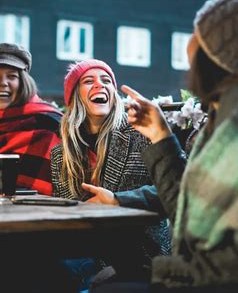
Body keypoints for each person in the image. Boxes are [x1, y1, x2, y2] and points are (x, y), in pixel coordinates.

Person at [84, 0, 238, 291]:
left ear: (220, 58)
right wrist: (161, 139)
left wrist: (164, 273)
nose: (187, 54)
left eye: (197, 40)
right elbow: (195, 202)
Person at [50, 59, 171, 288]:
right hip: (83, 253)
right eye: (89, 81)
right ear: (75, 96)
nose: (100, 85)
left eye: (106, 81)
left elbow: (174, 190)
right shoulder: (60, 154)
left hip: (139, 254)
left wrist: (118, 200)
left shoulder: (140, 133)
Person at [0, 43, 62, 195]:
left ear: (23, 83)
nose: (3, 83)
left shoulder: (49, 123)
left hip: (38, 212)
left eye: (12, 76)